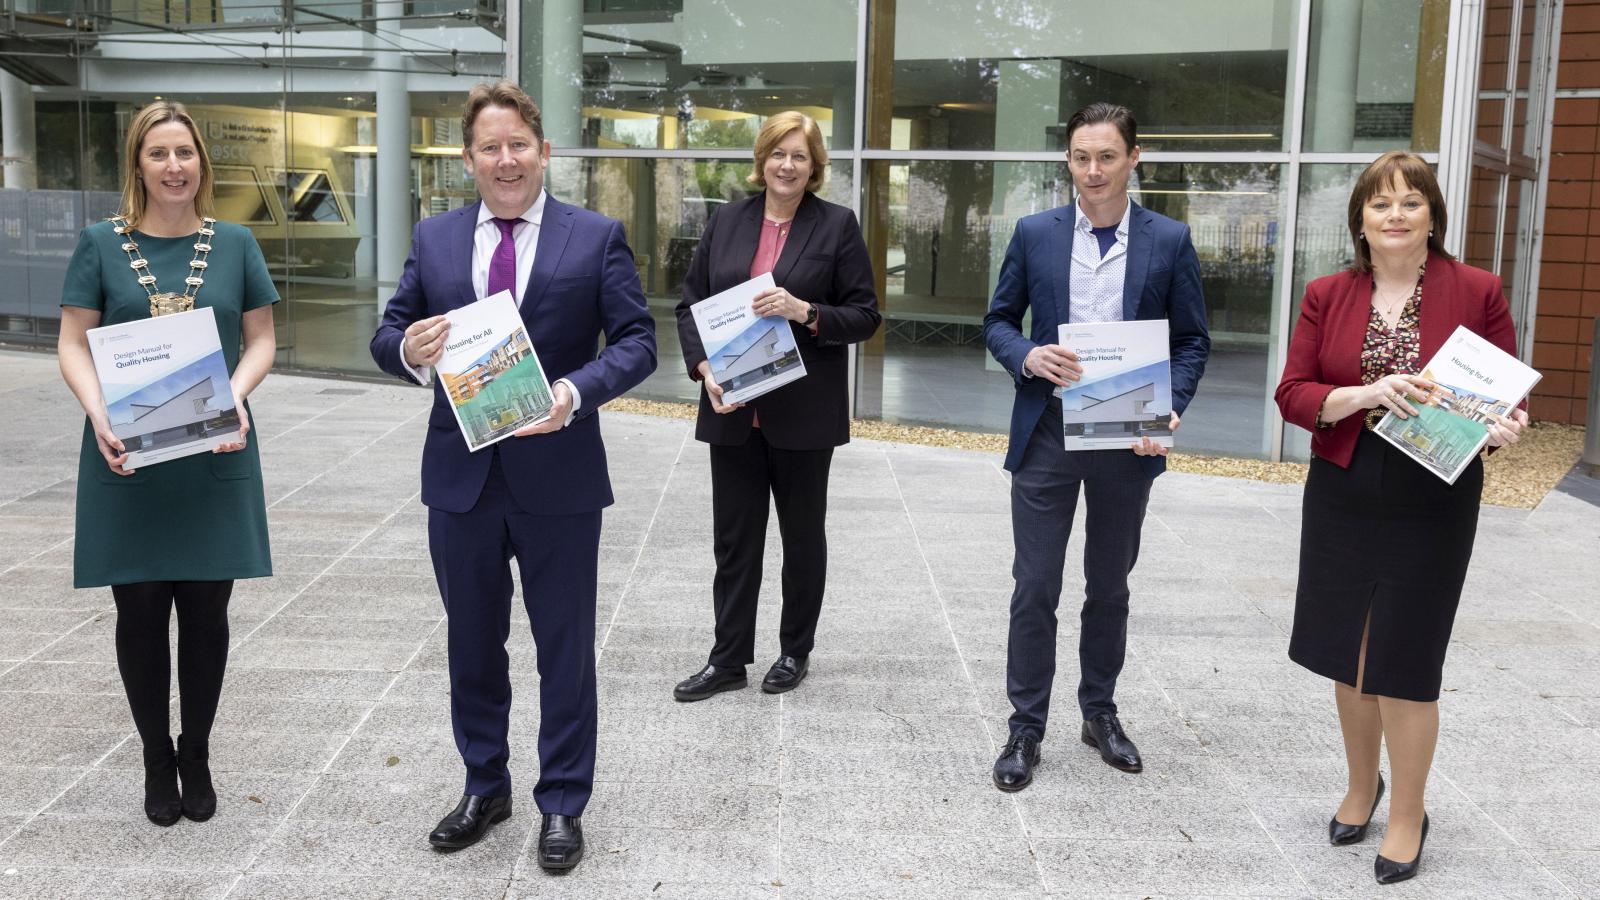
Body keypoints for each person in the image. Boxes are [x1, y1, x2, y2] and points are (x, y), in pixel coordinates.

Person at [369, 80, 655, 869]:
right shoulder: (434, 239)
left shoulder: (595, 236)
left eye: (518, 145)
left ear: (543, 152)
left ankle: (562, 800)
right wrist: (407, 352)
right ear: (469, 158)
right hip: (461, 480)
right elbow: (388, 331)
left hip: (558, 475)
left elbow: (637, 341)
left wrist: (574, 392)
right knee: (472, 643)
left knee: (564, 647)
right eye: (489, 147)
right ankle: (483, 784)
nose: (505, 160)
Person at [1274, 151, 1525, 885]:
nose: (1394, 214)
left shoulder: (1477, 290)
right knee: (1350, 653)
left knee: (1407, 662)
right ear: (1359, 219)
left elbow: (1505, 394)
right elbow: (1294, 392)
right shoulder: (1326, 293)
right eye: (1380, 203)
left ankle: (1409, 812)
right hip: (1345, 486)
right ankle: (1362, 786)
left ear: (1432, 216)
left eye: (1410, 202)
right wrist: (1365, 394)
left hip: (1433, 498)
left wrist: (1505, 425)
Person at [56, 100, 278, 826]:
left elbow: (262, 342)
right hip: (130, 456)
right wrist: (97, 411)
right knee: (142, 612)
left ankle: (198, 752)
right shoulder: (99, 243)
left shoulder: (237, 243)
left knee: (208, 613)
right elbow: (71, 342)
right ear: (138, 164)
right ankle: (156, 754)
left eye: (185, 152)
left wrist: (236, 399)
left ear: (201, 164)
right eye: (159, 154)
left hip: (216, 449)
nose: (174, 166)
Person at [983, 102, 1209, 791]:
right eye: (1081, 158)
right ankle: (1026, 727)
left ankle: (1099, 713)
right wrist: (1028, 356)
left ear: (1133, 158)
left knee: (1109, 586)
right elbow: (996, 321)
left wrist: (1170, 405)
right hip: (1049, 431)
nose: (1092, 171)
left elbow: (1194, 340)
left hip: (1127, 438)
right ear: (1068, 161)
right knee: (1035, 586)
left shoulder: (1169, 240)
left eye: (1106, 157)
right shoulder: (1035, 234)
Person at [670, 111, 881, 702]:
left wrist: (806, 312)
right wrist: (703, 368)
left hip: (803, 414)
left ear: (815, 168)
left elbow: (865, 316)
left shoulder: (837, 226)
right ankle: (728, 659)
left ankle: (794, 651)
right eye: (778, 153)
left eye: (800, 156)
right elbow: (690, 308)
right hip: (733, 408)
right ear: (762, 158)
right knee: (734, 542)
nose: (787, 165)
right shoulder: (727, 220)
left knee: (801, 538)